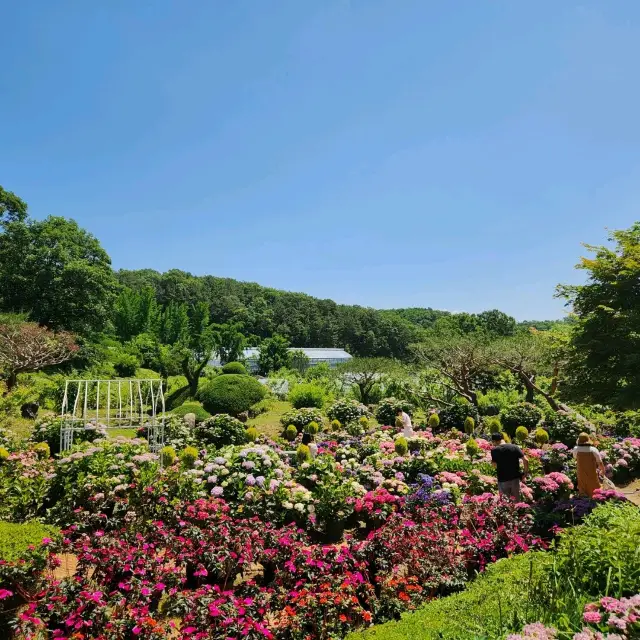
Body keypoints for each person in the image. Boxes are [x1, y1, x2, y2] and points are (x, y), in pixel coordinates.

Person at [490, 432, 528, 500]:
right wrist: (525, 473)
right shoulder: (514, 447)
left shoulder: (494, 450)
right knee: (516, 502)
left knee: (505, 504)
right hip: (515, 479)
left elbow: (494, 465)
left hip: (503, 480)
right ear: (503, 439)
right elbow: (526, 460)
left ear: (494, 441)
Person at [573, 433, 606, 498]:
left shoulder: (576, 449)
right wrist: (603, 470)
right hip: (591, 472)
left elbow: (575, 457)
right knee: (594, 488)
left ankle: (583, 502)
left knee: (582, 488)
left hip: (581, 473)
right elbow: (600, 462)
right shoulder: (593, 449)